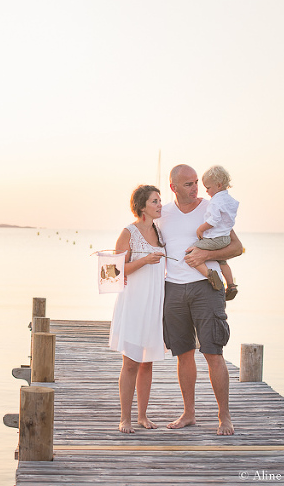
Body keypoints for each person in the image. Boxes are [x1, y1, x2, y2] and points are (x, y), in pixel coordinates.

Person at [155, 164, 243, 436]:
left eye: (196, 182)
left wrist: (206, 255)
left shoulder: (211, 206)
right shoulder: (162, 215)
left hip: (207, 288)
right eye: (188, 184)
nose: (195, 188)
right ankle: (189, 413)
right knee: (183, 354)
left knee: (213, 353)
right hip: (173, 289)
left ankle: (224, 416)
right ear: (173, 187)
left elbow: (236, 247)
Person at [109, 185, 166, 433]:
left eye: (160, 200)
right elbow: (115, 271)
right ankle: (125, 418)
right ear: (142, 206)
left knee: (147, 363)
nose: (160, 205)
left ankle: (143, 416)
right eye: (155, 201)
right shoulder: (128, 232)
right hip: (134, 302)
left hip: (154, 303)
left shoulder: (160, 231)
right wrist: (144, 261)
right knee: (131, 362)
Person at [189, 165, 240, 301]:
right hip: (226, 238)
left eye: (208, 187)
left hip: (215, 239)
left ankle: (211, 276)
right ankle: (231, 285)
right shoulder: (230, 200)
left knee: (191, 253)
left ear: (218, 185)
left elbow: (214, 220)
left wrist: (201, 229)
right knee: (222, 261)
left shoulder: (215, 202)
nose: (206, 191)